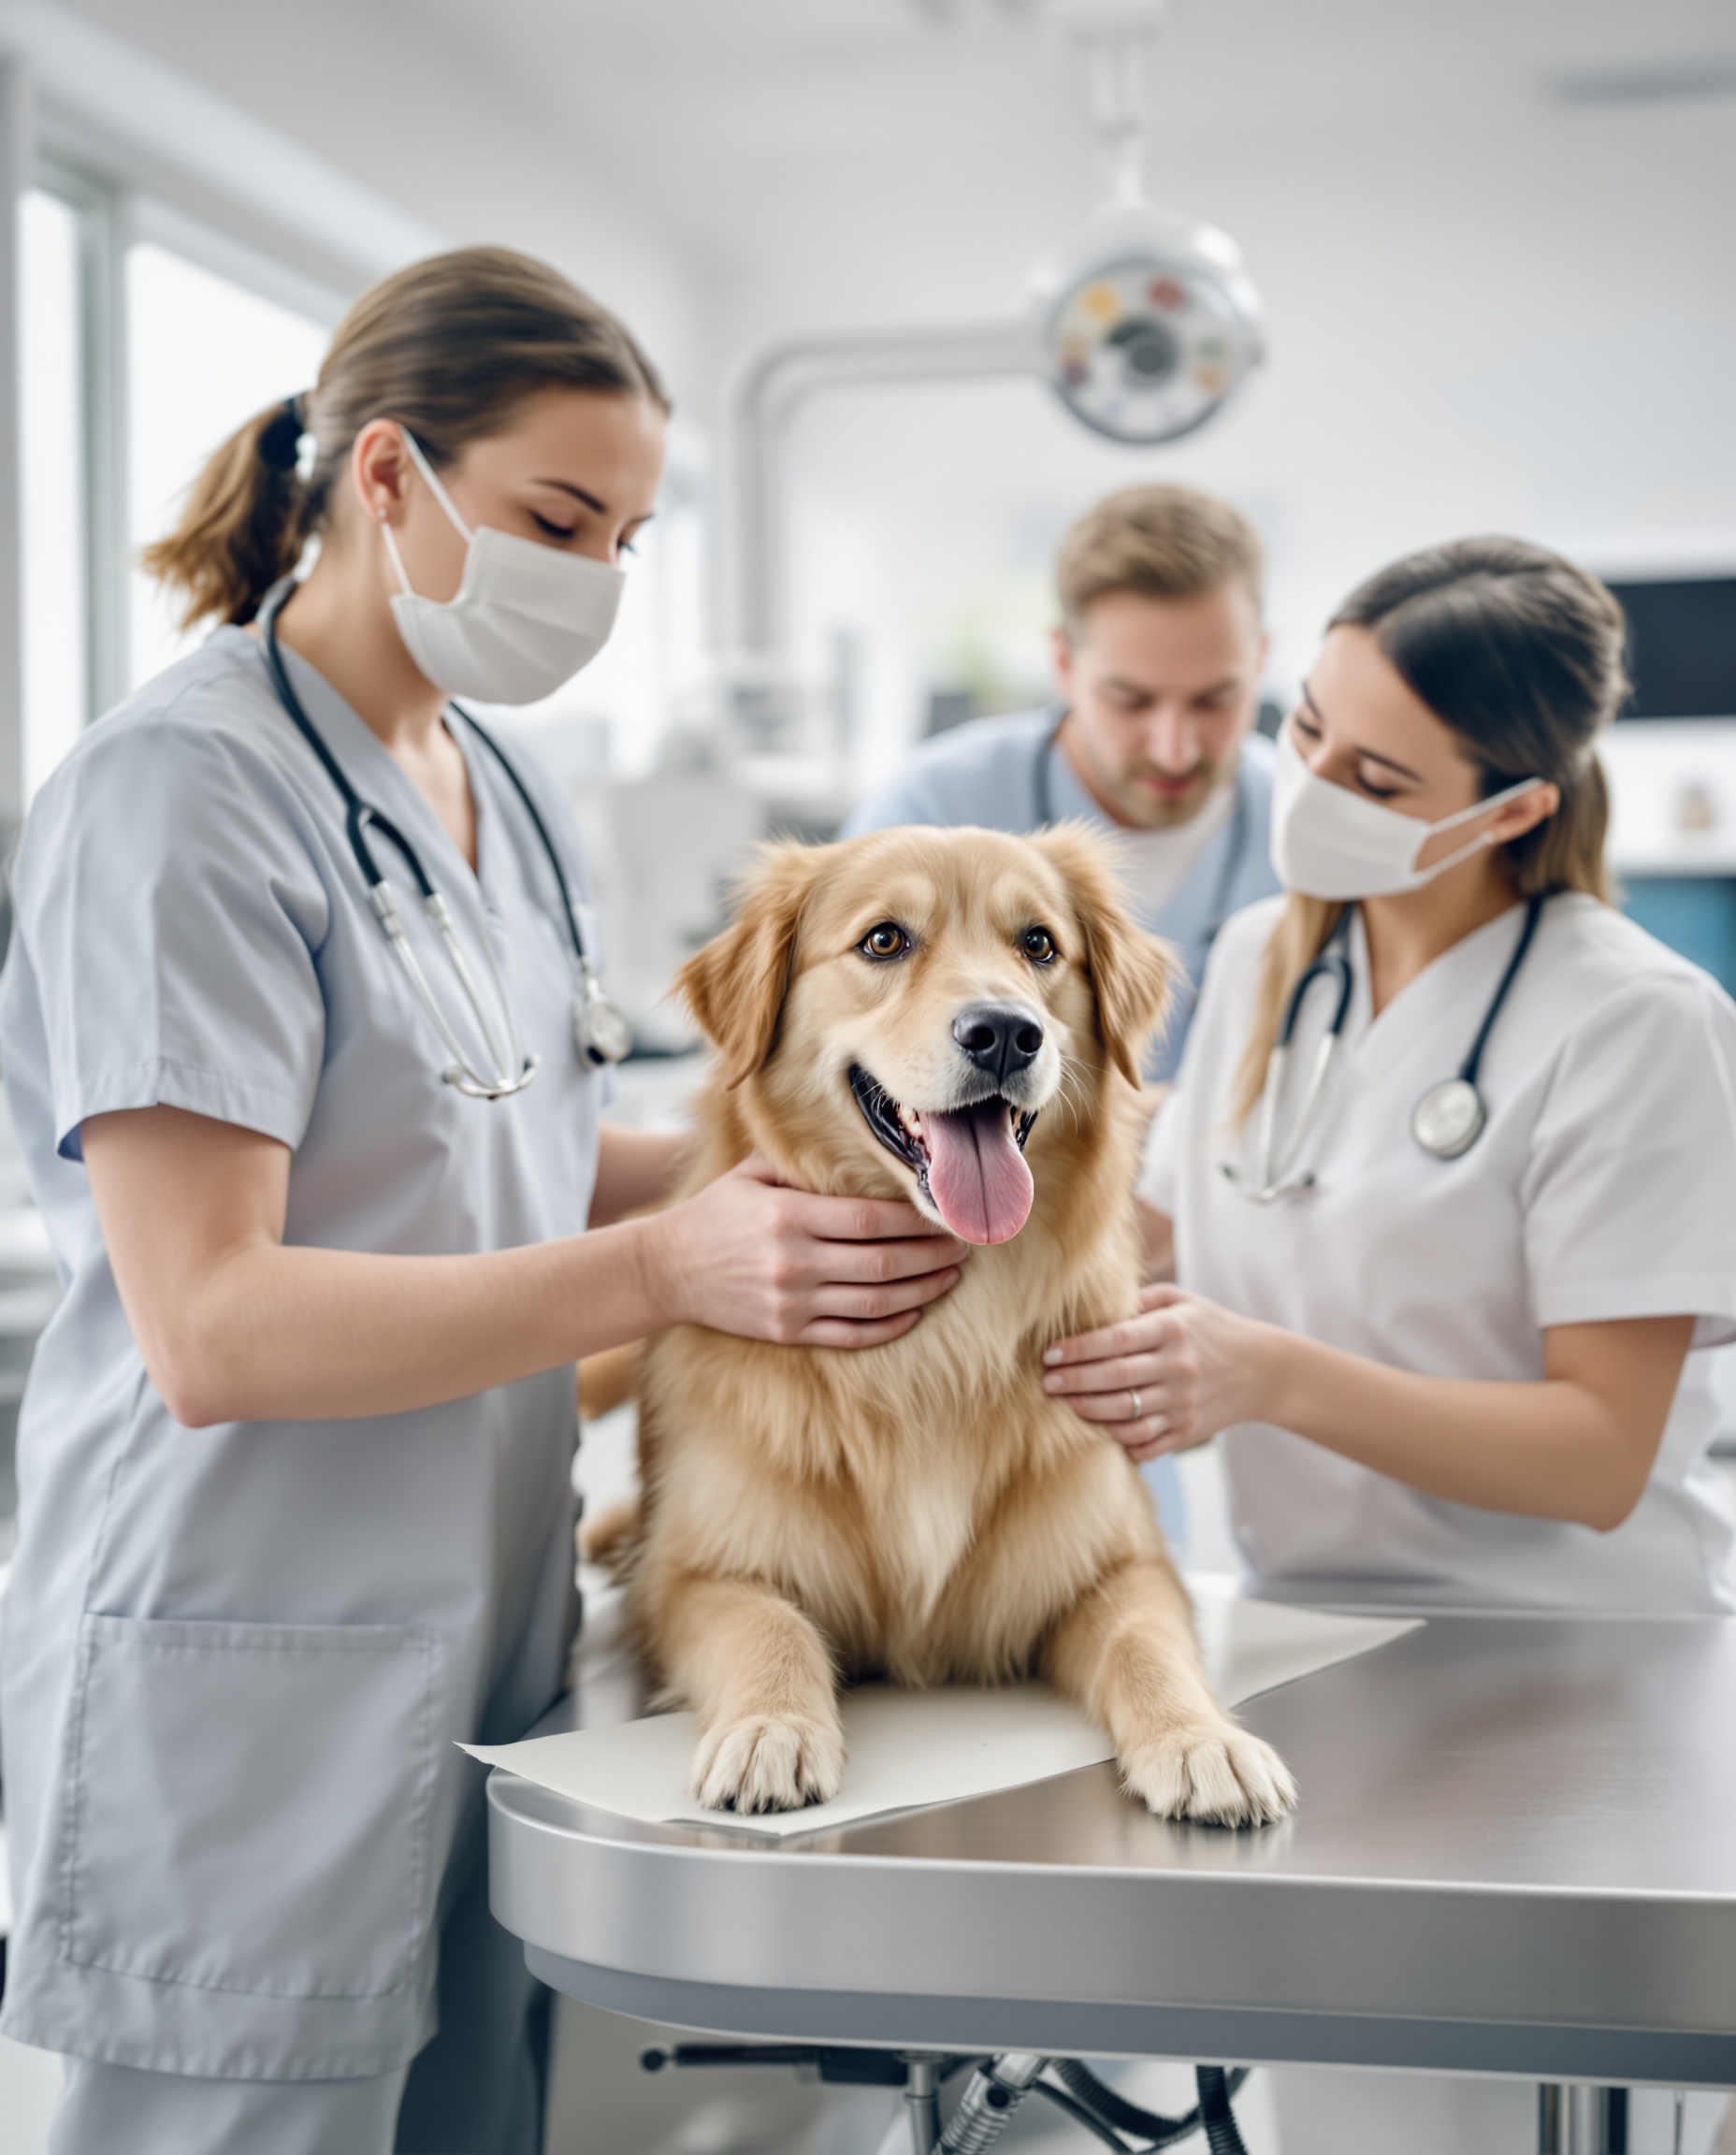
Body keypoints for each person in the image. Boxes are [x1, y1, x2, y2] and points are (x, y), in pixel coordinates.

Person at [0, 247, 965, 2155]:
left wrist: (862, 1166)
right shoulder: (178, 798)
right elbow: (216, 1325)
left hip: (482, 1651)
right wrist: (669, 1258)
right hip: (248, 1666)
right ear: (382, 476)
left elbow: (501, 1156)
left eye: (626, 534)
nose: (596, 577)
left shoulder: (494, 790)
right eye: (556, 517)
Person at [1039, 534, 1736, 2154]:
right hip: (1305, 1662)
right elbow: (1171, 1231)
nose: (1311, 787)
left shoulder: (1632, 1025)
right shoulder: (1271, 973)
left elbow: (1599, 1451)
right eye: (1304, 733)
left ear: (1509, 807)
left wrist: (1264, 1373)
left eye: (1374, 769)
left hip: (1569, 1686)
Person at [844, 483, 1280, 1082]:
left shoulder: (1316, 831)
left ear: (1260, 660)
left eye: (1215, 699)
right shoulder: (928, 808)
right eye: (1130, 700)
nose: (1175, 749)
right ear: (1063, 663)